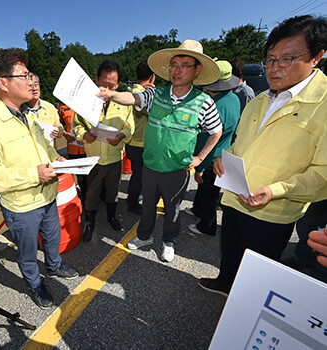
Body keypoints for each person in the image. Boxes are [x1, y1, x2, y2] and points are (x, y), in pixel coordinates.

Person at [199, 15, 327, 297]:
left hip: (272, 211)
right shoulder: (260, 99)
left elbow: (322, 174)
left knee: (257, 270)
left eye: (287, 59)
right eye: (270, 59)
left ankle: (245, 306)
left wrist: (276, 190)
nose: (274, 68)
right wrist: (224, 157)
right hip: (234, 196)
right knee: (230, 252)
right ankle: (225, 283)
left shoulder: (324, 104)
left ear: (317, 57)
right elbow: (239, 143)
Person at [0, 49, 78, 309]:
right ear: (3, 83)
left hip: (48, 196)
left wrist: (56, 159)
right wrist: (35, 174)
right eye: (24, 76)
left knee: (52, 238)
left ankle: (54, 267)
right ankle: (35, 285)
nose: (32, 82)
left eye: (31, 75)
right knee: (28, 253)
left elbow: (47, 148)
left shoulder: (30, 116)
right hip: (21, 207)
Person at [98, 40, 222, 262]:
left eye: (185, 65)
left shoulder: (204, 102)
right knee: (148, 207)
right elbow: (133, 98)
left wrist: (201, 157)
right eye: (174, 64)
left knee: (172, 209)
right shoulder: (156, 93)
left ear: (197, 70)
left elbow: (216, 132)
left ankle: (168, 241)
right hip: (150, 165)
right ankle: (144, 236)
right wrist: (111, 94)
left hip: (177, 170)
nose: (177, 70)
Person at [73, 60, 134, 242]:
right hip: (93, 159)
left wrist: (121, 136)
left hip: (115, 158)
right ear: (96, 79)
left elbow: (130, 126)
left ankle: (111, 217)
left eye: (112, 85)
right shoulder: (84, 101)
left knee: (112, 191)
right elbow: (76, 125)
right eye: (103, 84)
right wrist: (85, 135)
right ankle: (90, 223)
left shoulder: (124, 102)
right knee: (91, 192)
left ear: (118, 85)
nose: (107, 89)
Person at [187, 60, 241, 237]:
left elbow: (206, 139)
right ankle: (197, 209)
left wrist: (199, 167)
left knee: (209, 193)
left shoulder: (214, 106)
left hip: (211, 157)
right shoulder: (233, 98)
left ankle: (207, 226)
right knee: (206, 191)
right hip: (224, 152)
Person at [125, 61, 155, 215]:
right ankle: (132, 201)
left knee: (137, 173)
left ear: (136, 76)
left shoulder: (129, 93)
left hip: (131, 142)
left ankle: (135, 196)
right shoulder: (145, 95)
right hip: (142, 143)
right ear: (152, 77)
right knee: (139, 176)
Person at [22, 73, 65, 147]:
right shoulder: (19, 110)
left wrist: (58, 131)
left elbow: (59, 127)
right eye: (30, 86)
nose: (34, 88)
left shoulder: (50, 107)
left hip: (50, 155)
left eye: (36, 85)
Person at [58, 102, 87, 204]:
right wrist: (65, 134)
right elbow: (58, 124)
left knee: (92, 174)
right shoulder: (63, 107)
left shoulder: (87, 105)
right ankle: (84, 197)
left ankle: (97, 196)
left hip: (87, 147)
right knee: (80, 175)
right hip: (73, 148)